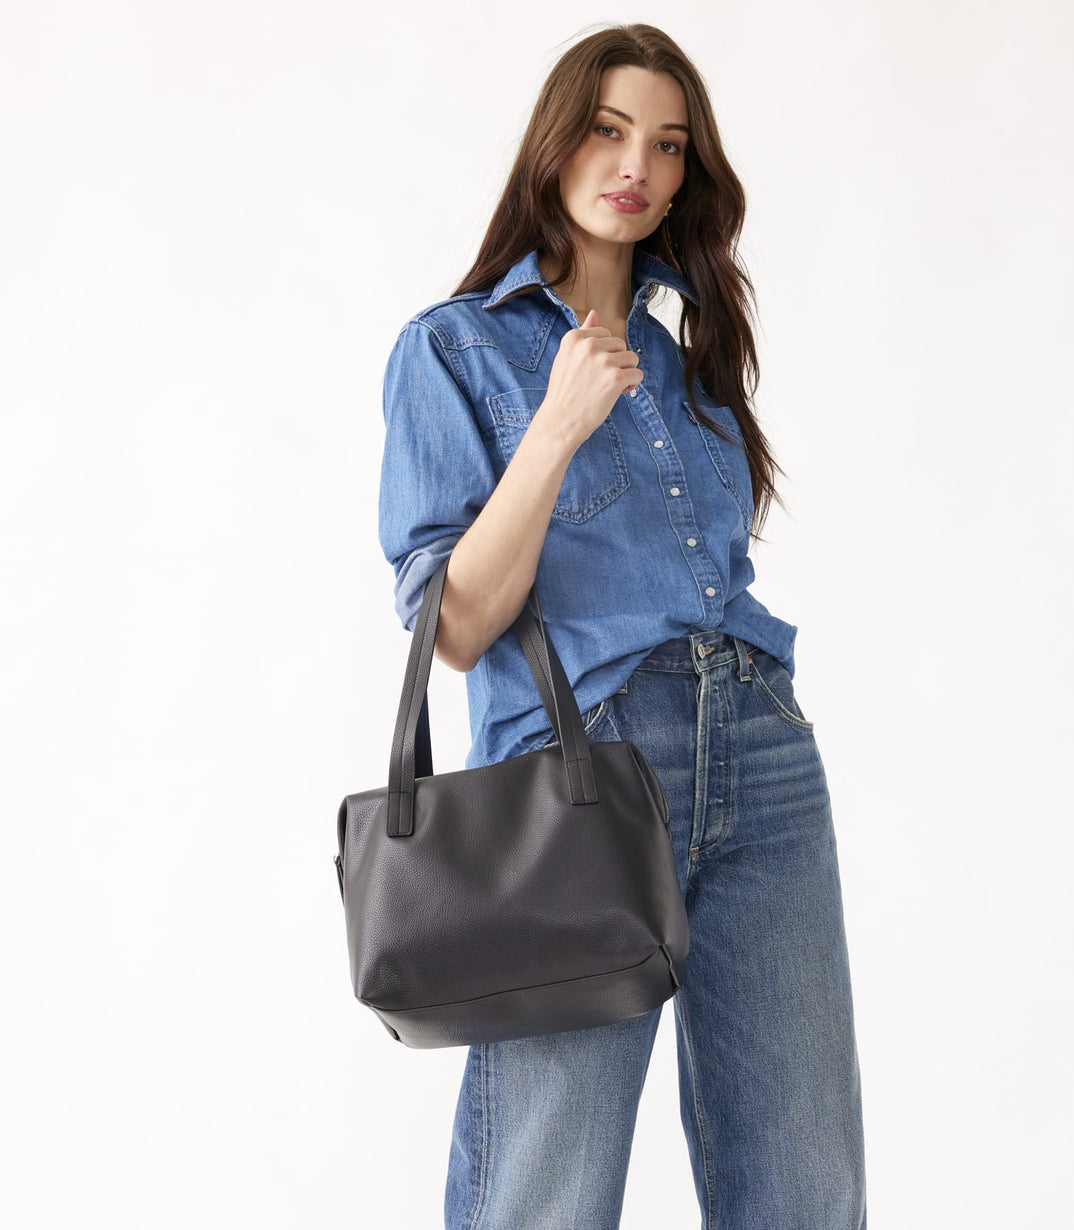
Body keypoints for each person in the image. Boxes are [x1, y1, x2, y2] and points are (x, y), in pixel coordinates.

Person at [377, 22, 867, 1230]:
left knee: (805, 1183)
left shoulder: (688, 367)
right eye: (607, 129)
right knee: (548, 1184)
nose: (636, 164)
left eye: (668, 143)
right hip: (585, 773)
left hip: (762, 751)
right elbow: (456, 626)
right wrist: (555, 426)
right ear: (555, 142)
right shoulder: (454, 349)